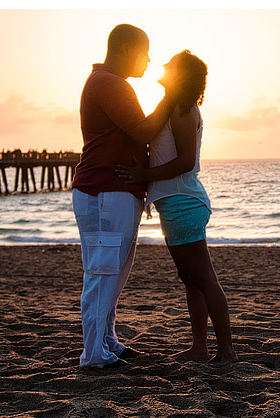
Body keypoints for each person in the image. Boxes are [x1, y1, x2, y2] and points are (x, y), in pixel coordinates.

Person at [117, 50, 238, 366]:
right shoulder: (172, 106)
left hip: (184, 204)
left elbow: (185, 162)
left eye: (171, 64)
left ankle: (226, 351)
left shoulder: (184, 111)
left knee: (205, 278)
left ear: (180, 75)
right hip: (177, 205)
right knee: (191, 279)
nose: (164, 65)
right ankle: (199, 348)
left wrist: (144, 175)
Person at [72, 24, 175, 368]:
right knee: (102, 271)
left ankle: (105, 340)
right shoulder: (110, 84)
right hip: (105, 190)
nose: (149, 60)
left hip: (112, 191)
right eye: (145, 52)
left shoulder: (110, 83)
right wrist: (171, 96)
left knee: (112, 270)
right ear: (128, 49)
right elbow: (145, 129)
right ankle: (93, 354)